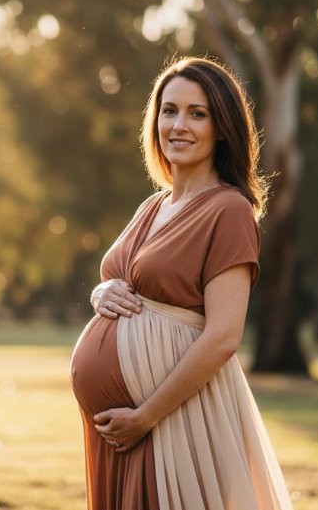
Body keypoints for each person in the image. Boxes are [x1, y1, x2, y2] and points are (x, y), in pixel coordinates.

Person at [69, 56, 293, 510]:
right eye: (169, 111)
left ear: (223, 127)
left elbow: (223, 337)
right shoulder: (152, 206)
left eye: (197, 113)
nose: (178, 125)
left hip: (169, 421)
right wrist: (99, 292)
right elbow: (118, 278)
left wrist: (145, 416)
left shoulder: (228, 210)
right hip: (121, 428)